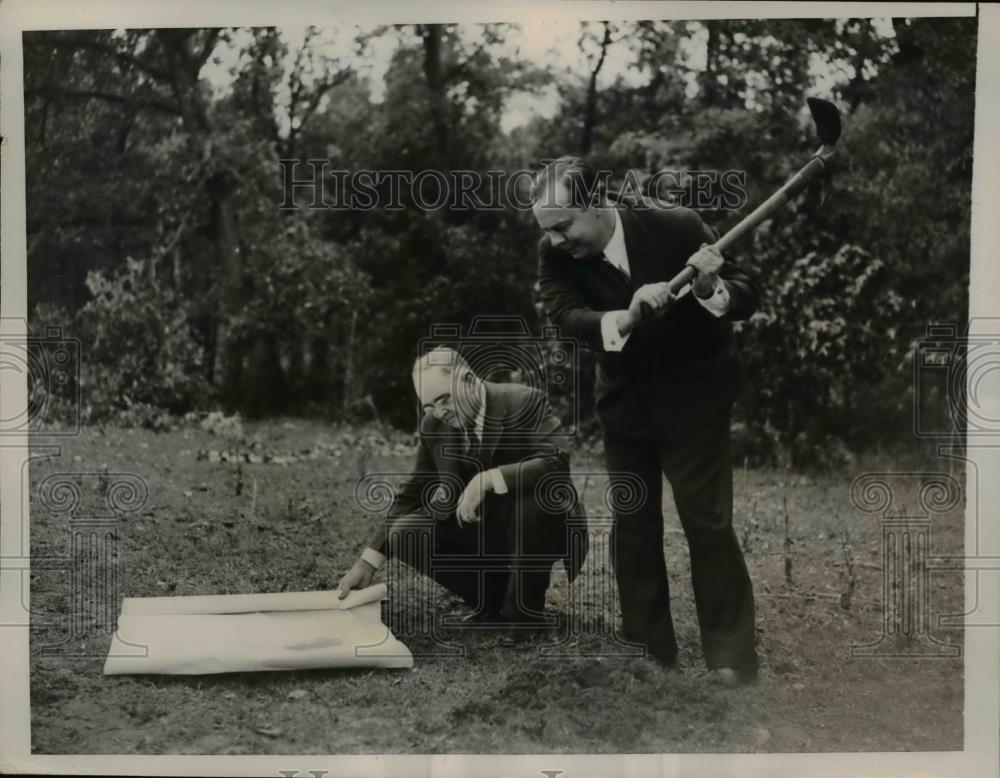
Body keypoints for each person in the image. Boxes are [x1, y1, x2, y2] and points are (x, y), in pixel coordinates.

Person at [531, 156, 760, 685]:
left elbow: (747, 289)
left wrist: (708, 290)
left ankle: (730, 659)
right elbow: (568, 317)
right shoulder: (557, 256)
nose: (557, 240)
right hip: (626, 406)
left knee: (708, 523)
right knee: (634, 525)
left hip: (697, 401)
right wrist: (626, 313)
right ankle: (649, 652)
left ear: (595, 203)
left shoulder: (675, 225)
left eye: (563, 226)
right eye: (548, 231)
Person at [337, 347, 588, 625]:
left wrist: (487, 480)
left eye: (444, 399)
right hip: (478, 526)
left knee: (533, 504)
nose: (440, 412)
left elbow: (556, 463)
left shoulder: (524, 401)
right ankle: (492, 600)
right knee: (406, 532)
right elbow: (416, 488)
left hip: (536, 526)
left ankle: (523, 613)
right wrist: (368, 560)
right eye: (429, 405)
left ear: (468, 380)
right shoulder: (433, 424)